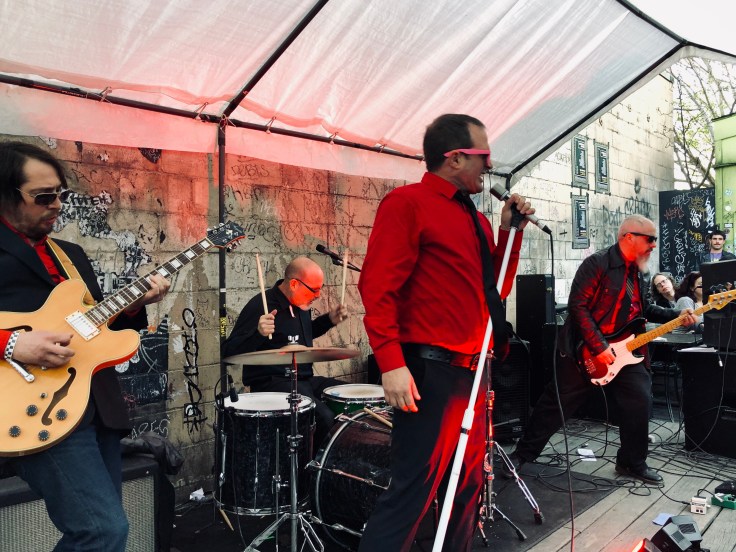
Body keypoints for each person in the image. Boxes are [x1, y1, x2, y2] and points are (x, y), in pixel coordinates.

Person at [357, 113, 535, 552]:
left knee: (467, 487)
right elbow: (377, 288)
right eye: (483, 155)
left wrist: (509, 232)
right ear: (454, 158)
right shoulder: (407, 203)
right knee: (412, 492)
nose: (489, 164)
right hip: (430, 371)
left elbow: (493, 292)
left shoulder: (476, 219)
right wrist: (391, 363)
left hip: (473, 373)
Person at [0, 141, 170, 551]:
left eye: (61, 194)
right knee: (101, 532)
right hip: (34, 406)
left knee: (108, 532)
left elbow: (96, 326)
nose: (57, 205)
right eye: (44, 197)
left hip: (96, 406)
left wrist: (135, 305)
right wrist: (12, 343)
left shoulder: (70, 254)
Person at [507, 215, 697, 485]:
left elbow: (643, 310)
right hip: (583, 350)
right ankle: (522, 455)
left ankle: (631, 462)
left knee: (639, 401)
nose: (654, 245)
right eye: (650, 239)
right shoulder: (597, 263)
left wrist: (676, 315)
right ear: (628, 237)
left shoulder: (640, 272)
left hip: (626, 351)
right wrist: (599, 346)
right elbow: (578, 307)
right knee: (556, 404)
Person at [222, 256, 348, 445]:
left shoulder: (300, 304)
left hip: (303, 379)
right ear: (295, 284)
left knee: (347, 397)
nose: (318, 295)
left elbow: (303, 337)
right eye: (314, 290)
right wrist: (258, 333)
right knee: (323, 417)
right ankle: (315, 463)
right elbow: (228, 352)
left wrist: (329, 320)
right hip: (271, 384)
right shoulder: (261, 305)